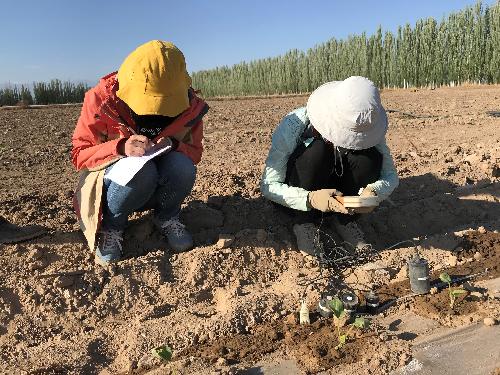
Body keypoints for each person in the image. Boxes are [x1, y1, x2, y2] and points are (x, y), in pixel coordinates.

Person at [72, 40, 209, 266]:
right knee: (142, 172)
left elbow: (194, 153)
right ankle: (113, 226)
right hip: (116, 186)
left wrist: (174, 146)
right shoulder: (101, 99)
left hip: (160, 178)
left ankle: (166, 217)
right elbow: (80, 154)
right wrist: (119, 147)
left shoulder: (190, 106)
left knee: (182, 167)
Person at [260, 76, 399, 250]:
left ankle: (344, 220)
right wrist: (310, 199)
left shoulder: (367, 129)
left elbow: (391, 176)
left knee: (368, 158)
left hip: (339, 195)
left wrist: (374, 191)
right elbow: (268, 185)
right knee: (316, 151)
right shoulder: (294, 125)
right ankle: (304, 223)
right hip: (300, 194)